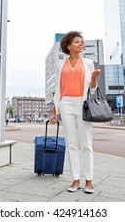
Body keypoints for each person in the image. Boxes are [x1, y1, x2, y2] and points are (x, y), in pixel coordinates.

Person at [49, 31, 100, 194]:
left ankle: (89, 181)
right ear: (68, 46)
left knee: (86, 143)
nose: (81, 44)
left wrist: (94, 78)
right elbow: (58, 90)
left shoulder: (88, 63)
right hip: (66, 104)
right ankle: (76, 179)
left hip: (82, 103)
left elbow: (93, 88)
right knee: (71, 143)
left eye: (82, 42)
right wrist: (54, 111)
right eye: (77, 42)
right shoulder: (59, 65)